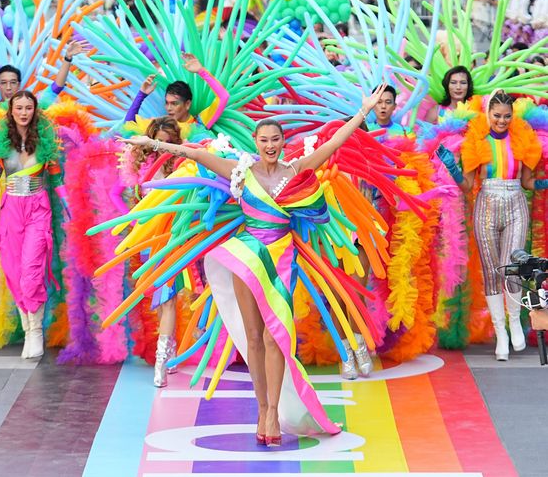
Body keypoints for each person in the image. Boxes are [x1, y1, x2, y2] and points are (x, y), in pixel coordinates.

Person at [121, 84, 388, 445]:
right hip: (247, 259)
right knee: (253, 338)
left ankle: (274, 413)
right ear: (255, 141)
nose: (270, 145)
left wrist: (362, 112)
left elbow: (332, 145)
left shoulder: (296, 169)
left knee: (276, 336)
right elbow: (194, 154)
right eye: (264, 140)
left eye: (276, 139)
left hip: (281, 261)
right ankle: (262, 410)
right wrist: (152, 144)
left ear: (282, 140)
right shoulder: (240, 171)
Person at [0, 91, 69, 359]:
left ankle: (36, 333)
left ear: (34, 110)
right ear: (11, 110)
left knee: (31, 271)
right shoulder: (1, 143)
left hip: (38, 210)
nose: (23, 112)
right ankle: (28, 326)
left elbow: (57, 182)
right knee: (14, 272)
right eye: (19, 107)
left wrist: (71, 211)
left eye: (28, 107)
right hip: (11, 211)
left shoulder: (46, 141)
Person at [436, 90, 544, 361]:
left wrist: (545, 183)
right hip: (486, 206)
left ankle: (515, 323)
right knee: (492, 271)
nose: (502, 120)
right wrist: (453, 168)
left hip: (516, 204)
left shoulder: (522, 139)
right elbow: (468, 186)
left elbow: (529, 182)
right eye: (497, 115)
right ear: (488, 115)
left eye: (507, 116)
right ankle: (501, 334)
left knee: (513, 267)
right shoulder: (476, 142)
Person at [128, 116, 182, 387]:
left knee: (168, 295)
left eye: (167, 142)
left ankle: (162, 360)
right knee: (160, 298)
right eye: (157, 141)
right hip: (148, 237)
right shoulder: (141, 166)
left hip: (172, 236)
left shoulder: (182, 166)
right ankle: (169, 347)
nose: (161, 146)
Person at [0, 35, 87, 108]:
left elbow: (57, 87)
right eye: (4, 83)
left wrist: (68, 57)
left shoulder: (32, 106)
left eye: (13, 82)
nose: (8, 87)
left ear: (19, 85)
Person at [124, 53, 229, 131]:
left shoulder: (199, 123)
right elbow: (128, 125)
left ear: (187, 104)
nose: (169, 108)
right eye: (167, 103)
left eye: (174, 103)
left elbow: (223, 97)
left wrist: (201, 71)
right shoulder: (160, 125)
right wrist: (141, 94)